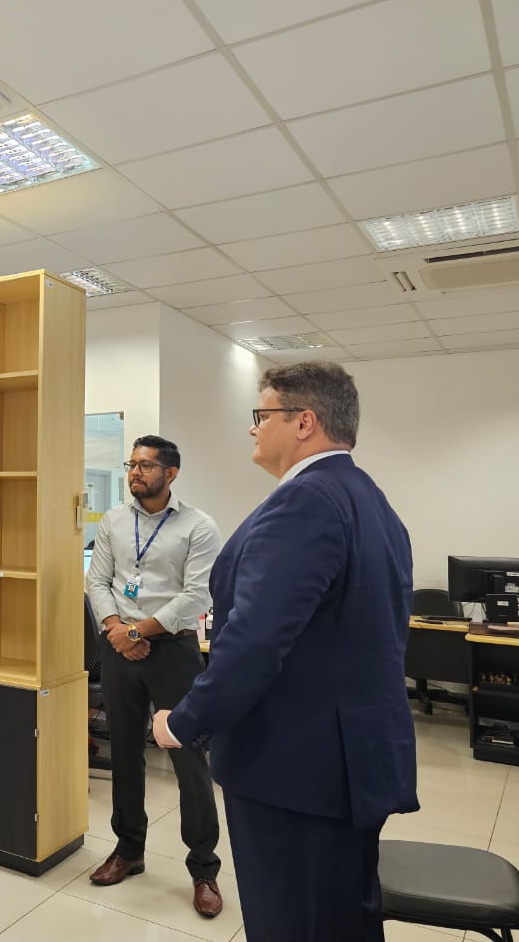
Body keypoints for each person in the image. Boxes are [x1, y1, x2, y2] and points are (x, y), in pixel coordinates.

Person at [153, 362, 418, 942]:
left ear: (304, 422)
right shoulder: (368, 499)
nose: (253, 429)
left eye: (261, 415)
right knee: (340, 920)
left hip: (296, 771)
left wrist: (185, 721)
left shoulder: (306, 501)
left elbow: (254, 640)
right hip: (345, 763)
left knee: (292, 922)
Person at [84, 435, 225, 918]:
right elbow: (97, 581)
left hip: (173, 652)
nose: (135, 473)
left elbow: (197, 595)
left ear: (172, 472)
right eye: (131, 464)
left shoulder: (198, 526)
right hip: (120, 647)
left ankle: (204, 868)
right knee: (124, 754)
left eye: (146, 465)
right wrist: (116, 631)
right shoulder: (114, 522)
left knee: (189, 760)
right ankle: (129, 850)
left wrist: (139, 629)